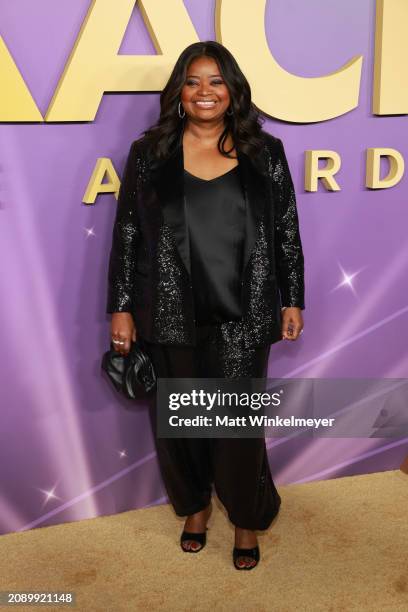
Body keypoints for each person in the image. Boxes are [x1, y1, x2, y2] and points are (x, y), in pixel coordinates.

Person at [106, 41, 304, 570]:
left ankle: (245, 516)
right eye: (193, 82)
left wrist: (294, 298)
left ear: (232, 89)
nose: (205, 92)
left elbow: (286, 232)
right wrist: (120, 307)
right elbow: (127, 235)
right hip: (168, 311)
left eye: (216, 81)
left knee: (238, 429)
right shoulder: (149, 154)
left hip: (246, 313)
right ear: (179, 92)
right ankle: (194, 509)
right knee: (183, 424)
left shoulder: (266, 153)